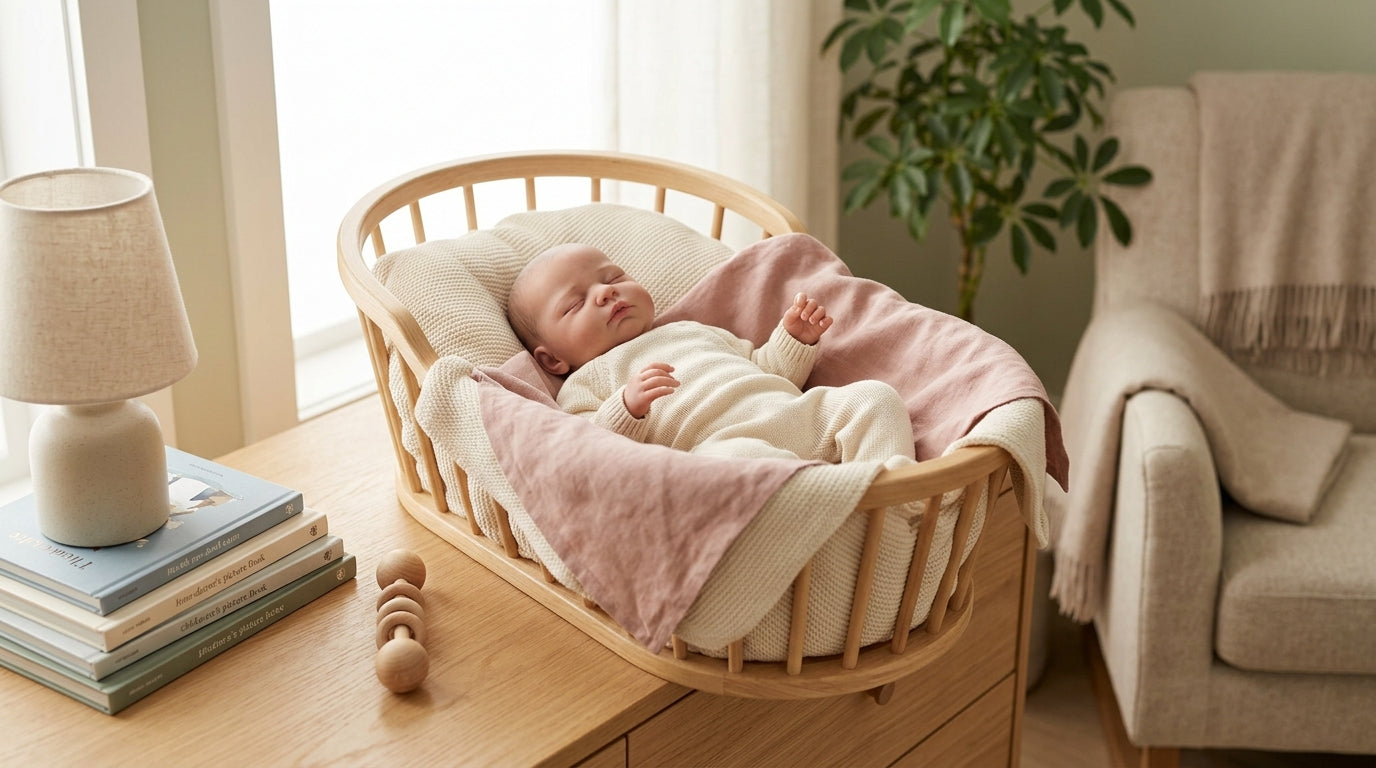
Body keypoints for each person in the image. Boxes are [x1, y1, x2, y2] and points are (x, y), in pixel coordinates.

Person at [505, 242, 921, 476]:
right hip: (721, 446)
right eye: (576, 304)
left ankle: (895, 495)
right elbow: (594, 452)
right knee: (738, 469)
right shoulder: (584, 383)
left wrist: (793, 340)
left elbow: (766, 368)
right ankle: (833, 494)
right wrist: (627, 407)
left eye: (613, 278)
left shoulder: (690, 330)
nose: (606, 293)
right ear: (553, 360)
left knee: (874, 398)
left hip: (792, 412)